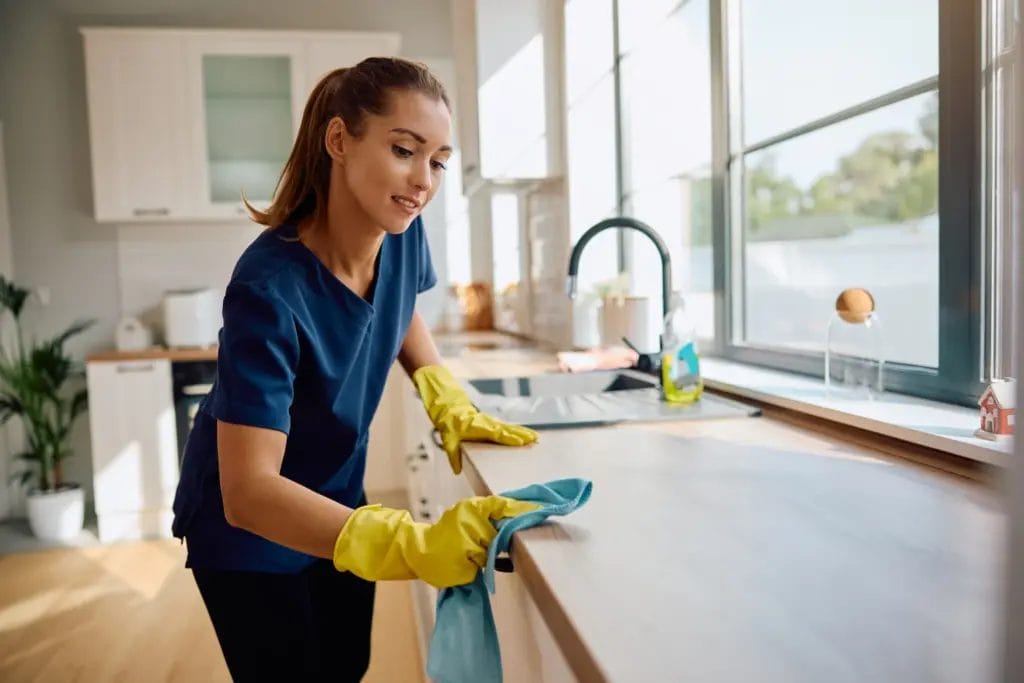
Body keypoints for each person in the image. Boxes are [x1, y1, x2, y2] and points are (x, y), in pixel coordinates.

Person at [171, 57, 540, 682]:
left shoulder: (400, 230)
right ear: (339, 140)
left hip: (338, 497)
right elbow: (250, 491)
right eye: (405, 149)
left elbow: (399, 312)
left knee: (347, 665)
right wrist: (413, 544)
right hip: (250, 533)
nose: (424, 179)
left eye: (439, 160)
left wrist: (441, 390)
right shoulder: (268, 288)